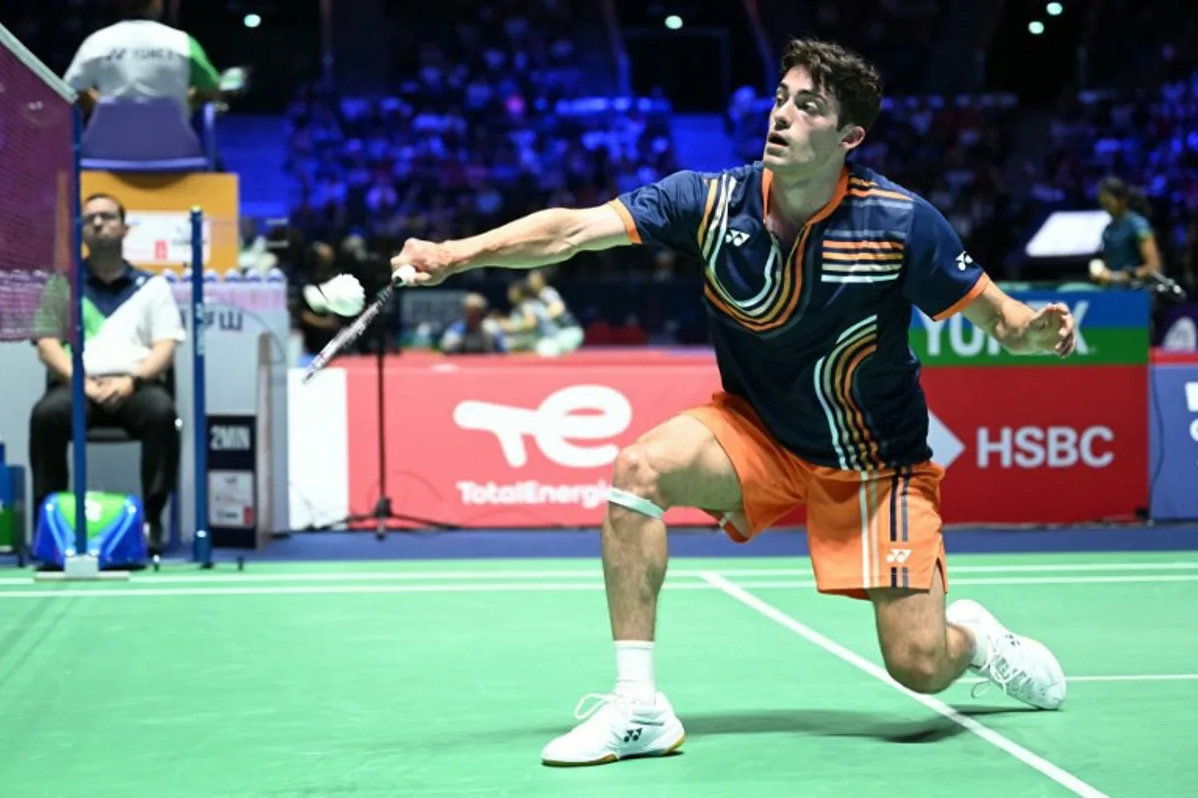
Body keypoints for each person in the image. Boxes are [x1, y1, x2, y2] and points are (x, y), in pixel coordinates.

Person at [390, 38, 1076, 766]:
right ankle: (638, 706)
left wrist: (1036, 333)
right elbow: (571, 230)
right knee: (638, 472)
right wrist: (456, 253)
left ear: (850, 138)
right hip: (760, 435)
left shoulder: (901, 225)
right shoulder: (710, 202)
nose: (781, 115)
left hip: (879, 465)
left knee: (917, 664)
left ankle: (975, 639)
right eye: (781, 96)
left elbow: (1002, 321)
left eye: (808, 106)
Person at [29, 193, 185, 557]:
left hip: (133, 385)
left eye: (108, 217)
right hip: (78, 386)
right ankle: (50, 524)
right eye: (90, 219)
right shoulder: (61, 285)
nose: (98, 224)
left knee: (162, 414)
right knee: (46, 417)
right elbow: (47, 345)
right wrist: (80, 381)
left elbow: (165, 346)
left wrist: (132, 381)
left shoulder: (152, 287)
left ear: (125, 227)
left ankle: (152, 519)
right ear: (80, 230)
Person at [62, 0, 224, 119]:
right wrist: (187, 102)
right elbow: (211, 89)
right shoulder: (183, 42)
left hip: (108, 149)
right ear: (156, 3)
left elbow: (68, 91)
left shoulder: (96, 41)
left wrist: (101, 105)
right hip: (173, 150)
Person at [1089, 176, 1163, 286]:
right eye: (1103, 204)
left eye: (1108, 203)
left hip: (1137, 294)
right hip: (1113, 294)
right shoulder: (1108, 230)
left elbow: (1154, 267)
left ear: (1122, 200)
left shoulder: (1138, 225)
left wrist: (1115, 277)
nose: (1106, 209)